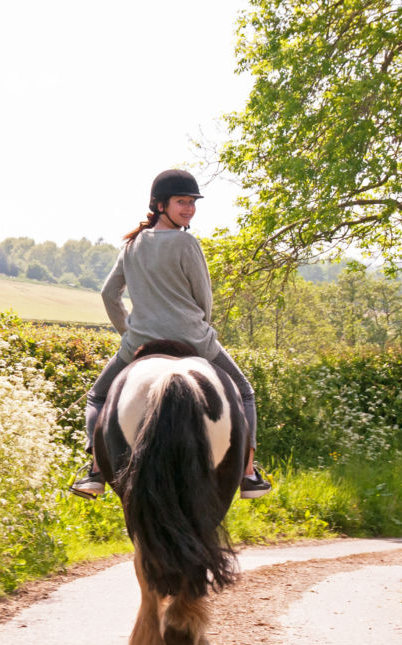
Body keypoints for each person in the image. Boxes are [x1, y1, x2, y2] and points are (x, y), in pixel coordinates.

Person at [70, 168, 271, 500]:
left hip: (139, 342)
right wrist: (196, 326)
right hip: (194, 340)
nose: (189, 208)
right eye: (182, 202)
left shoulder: (131, 245)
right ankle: (248, 474)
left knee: (98, 397)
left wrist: (129, 332)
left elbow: (109, 295)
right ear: (161, 204)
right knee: (245, 392)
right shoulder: (186, 243)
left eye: (192, 202)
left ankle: (94, 471)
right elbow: (203, 299)